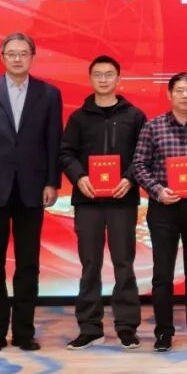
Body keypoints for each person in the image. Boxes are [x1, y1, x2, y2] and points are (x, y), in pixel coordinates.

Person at [0, 32, 63, 354]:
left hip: (32, 189)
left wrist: (52, 182)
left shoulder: (49, 94)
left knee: (28, 264)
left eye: (23, 53)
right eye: (11, 54)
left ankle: (23, 333)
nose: (17, 58)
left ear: (32, 57)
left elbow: (53, 142)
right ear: (2, 57)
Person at [59, 55, 147, 350]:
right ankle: (90, 327)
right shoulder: (78, 117)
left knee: (124, 262)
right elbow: (66, 153)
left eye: (109, 74)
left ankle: (126, 326)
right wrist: (79, 177)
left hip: (123, 199)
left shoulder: (134, 116)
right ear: (90, 79)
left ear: (118, 79)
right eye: (98, 74)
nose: (104, 79)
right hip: (88, 200)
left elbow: (143, 154)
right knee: (90, 263)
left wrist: (129, 179)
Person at [131, 72, 187, 352]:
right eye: (179, 90)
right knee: (162, 274)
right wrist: (158, 191)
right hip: (163, 207)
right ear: (169, 94)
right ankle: (164, 332)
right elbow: (139, 165)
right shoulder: (152, 127)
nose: (185, 95)